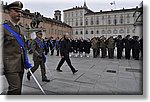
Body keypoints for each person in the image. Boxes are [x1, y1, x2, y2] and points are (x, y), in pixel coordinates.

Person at [2, 1, 32, 95]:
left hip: (21, 64)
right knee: (15, 89)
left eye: (20, 12)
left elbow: (22, 47)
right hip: (10, 65)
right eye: (16, 11)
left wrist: (26, 61)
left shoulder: (21, 29)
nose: (19, 13)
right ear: (9, 12)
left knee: (18, 90)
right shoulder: (3, 28)